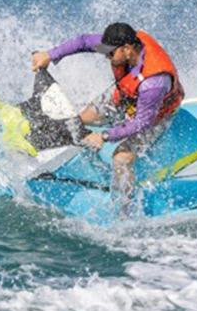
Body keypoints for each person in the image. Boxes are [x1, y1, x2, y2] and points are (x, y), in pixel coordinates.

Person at [30, 22, 184, 210]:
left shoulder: (153, 82)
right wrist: (49, 55)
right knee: (79, 120)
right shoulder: (120, 44)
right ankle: (40, 145)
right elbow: (84, 41)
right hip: (127, 96)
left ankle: (124, 211)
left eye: (110, 54)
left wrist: (104, 136)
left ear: (127, 49)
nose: (106, 57)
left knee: (121, 158)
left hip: (156, 114)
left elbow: (141, 123)